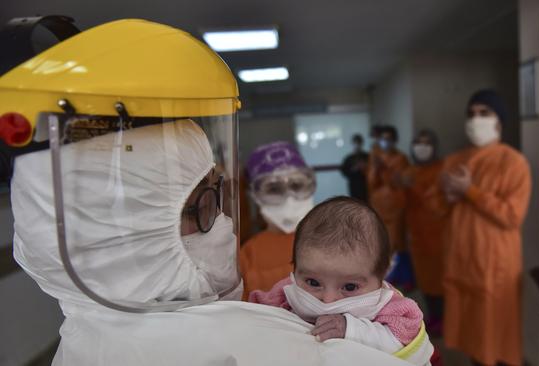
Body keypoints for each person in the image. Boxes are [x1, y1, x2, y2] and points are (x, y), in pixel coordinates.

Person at [1, 18, 415, 366]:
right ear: (116, 230)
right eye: (200, 206)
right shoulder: (273, 349)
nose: (222, 225)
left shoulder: (82, 342)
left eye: (218, 196)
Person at [249, 197, 434, 365]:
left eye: (350, 287)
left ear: (381, 278)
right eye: (313, 282)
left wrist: (351, 330)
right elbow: (255, 316)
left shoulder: (392, 309)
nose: (328, 300)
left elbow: (404, 341)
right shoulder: (284, 293)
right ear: (294, 268)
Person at [433, 89, 532, 366]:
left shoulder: (513, 163)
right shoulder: (454, 161)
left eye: (484, 113)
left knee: (495, 338)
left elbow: (512, 216)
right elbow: (436, 210)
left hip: (494, 267)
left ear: (499, 121)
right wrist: (449, 198)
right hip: (461, 263)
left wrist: (471, 191)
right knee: (470, 337)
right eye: (472, 114)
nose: (476, 119)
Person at [240, 141, 316, 300]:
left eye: (297, 185)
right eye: (274, 189)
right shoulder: (247, 256)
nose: (289, 197)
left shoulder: (337, 237)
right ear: (255, 195)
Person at [398, 129, 446, 336]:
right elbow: (399, 205)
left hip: (440, 238)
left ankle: (443, 320)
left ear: (434, 147)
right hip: (416, 238)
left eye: (427, 143)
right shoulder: (410, 171)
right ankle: (434, 316)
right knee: (425, 281)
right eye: (418, 142)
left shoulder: (442, 170)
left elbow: (436, 206)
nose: (422, 147)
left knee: (439, 282)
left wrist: (413, 187)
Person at [367, 125, 409, 253]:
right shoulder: (374, 158)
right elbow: (371, 183)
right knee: (379, 244)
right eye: (383, 139)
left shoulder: (401, 158)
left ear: (395, 140)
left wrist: (384, 168)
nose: (385, 142)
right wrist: (375, 167)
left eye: (389, 139)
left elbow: (397, 182)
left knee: (395, 244)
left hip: (395, 208)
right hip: (378, 206)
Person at [340, 134, 369, 202]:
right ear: (352, 143)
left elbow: (373, 171)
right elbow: (344, 172)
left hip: (366, 187)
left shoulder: (367, 157)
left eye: (359, 143)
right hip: (354, 187)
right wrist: (353, 169)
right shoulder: (349, 158)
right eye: (355, 143)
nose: (357, 145)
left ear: (362, 143)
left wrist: (365, 167)